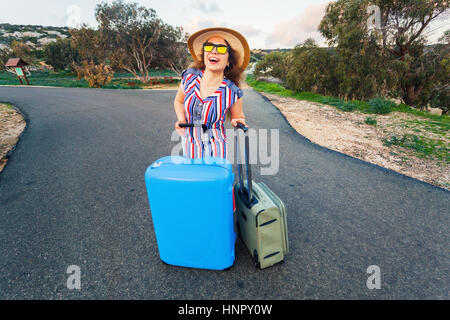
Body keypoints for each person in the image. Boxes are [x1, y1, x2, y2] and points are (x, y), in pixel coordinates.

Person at [173, 27, 250, 159]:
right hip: (189, 145)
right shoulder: (189, 78)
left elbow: (238, 116)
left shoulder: (232, 91)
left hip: (216, 148)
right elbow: (179, 101)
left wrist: (238, 120)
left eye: (221, 49)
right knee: (193, 178)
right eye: (209, 47)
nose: (214, 51)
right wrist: (181, 119)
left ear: (229, 60)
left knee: (213, 179)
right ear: (204, 54)